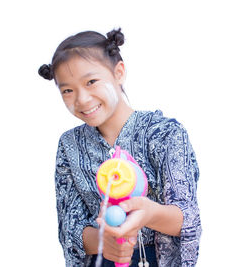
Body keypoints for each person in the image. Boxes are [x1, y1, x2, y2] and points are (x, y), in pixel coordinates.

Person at [38, 28, 201, 267]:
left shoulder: (164, 133)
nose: (82, 99)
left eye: (91, 81)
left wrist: (150, 213)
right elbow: (70, 227)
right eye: (68, 90)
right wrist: (105, 242)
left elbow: (186, 218)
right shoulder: (68, 145)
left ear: (119, 72)